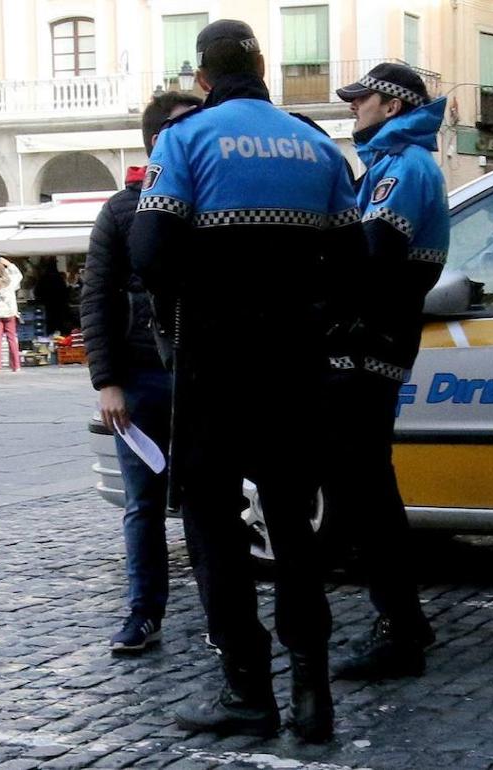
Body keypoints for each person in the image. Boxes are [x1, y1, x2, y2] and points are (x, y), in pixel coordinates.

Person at [129, 19, 366, 744]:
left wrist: (198, 301)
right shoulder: (315, 143)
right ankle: (313, 692)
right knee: (293, 522)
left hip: (217, 361)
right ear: (262, 64)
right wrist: (312, 315)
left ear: (202, 78)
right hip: (295, 364)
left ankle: (246, 689)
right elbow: (355, 261)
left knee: (213, 525)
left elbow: (148, 250)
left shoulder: (187, 138)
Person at [327, 63, 450, 680]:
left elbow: (372, 254)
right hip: (371, 342)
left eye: (362, 98)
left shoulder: (403, 168)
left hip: (368, 346)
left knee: (367, 493)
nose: (354, 108)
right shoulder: (392, 163)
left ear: (394, 105)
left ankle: (398, 630)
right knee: (364, 488)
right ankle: (405, 618)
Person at [81, 90, 202, 655]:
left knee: (209, 504)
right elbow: (97, 300)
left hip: (202, 376)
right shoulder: (121, 210)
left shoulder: (209, 202)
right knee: (144, 505)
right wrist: (107, 381)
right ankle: (143, 612)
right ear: (159, 139)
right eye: (187, 127)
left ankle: (220, 616)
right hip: (141, 379)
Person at [35, 257, 72, 336]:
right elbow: (65, 292)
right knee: (60, 326)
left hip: (48, 306)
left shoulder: (43, 278)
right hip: (60, 306)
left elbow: (37, 292)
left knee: (50, 327)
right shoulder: (59, 278)